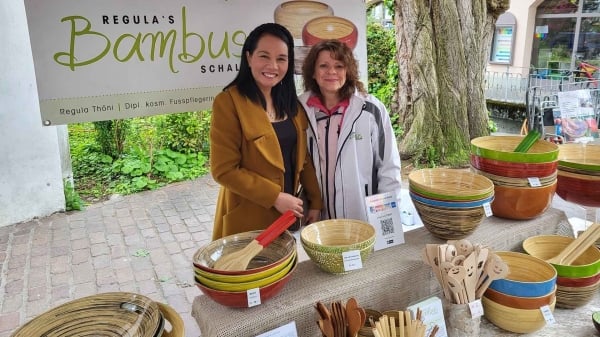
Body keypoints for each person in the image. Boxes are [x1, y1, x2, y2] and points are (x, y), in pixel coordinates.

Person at [210, 23, 322, 240]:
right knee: (250, 272)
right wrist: (275, 197)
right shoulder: (228, 102)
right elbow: (223, 170)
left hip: (287, 216)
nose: (273, 65)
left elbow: (303, 159)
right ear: (249, 57)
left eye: (281, 58)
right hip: (247, 217)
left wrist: (315, 201)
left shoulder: (291, 104)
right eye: (264, 56)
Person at [298, 39, 402, 222]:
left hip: (362, 216)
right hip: (317, 219)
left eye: (339, 66)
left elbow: (388, 168)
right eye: (323, 66)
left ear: (348, 71)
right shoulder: (300, 110)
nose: (331, 72)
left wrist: (385, 220)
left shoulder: (370, 110)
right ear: (313, 72)